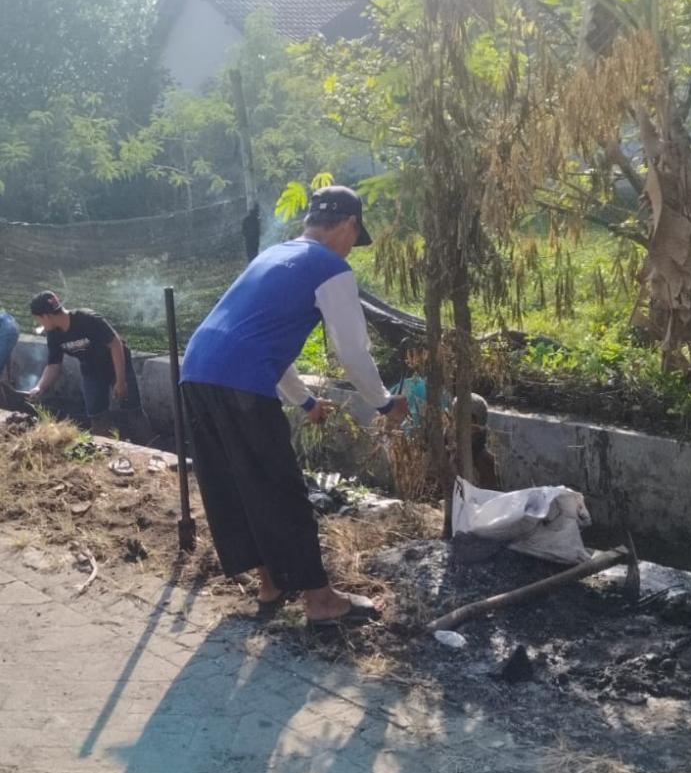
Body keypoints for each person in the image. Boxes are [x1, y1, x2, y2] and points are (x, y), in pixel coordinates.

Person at [180, 185, 407, 624]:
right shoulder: (329, 266)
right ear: (349, 225)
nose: (350, 249)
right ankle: (321, 601)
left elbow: (260, 341)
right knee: (281, 489)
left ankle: (271, 584)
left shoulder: (274, 255)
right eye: (354, 239)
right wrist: (383, 403)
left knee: (234, 487)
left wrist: (305, 401)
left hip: (197, 370)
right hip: (240, 380)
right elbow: (352, 351)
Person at [26, 292, 151, 441]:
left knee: (133, 410)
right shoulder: (53, 334)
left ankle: (150, 445)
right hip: (91, 370)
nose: (40, 324)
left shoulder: (87, 319)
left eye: (38, 319)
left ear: (45, 316)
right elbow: (54, 365)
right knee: (97, 415)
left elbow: (115, 344)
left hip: (115, 364)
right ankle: (105, 447)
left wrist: (120, 380)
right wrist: (40, 387)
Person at [0, 309, 20, 380]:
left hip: (7, 328)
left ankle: (9, 379)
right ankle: (10, 379)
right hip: (11, 324)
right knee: (6, 354)